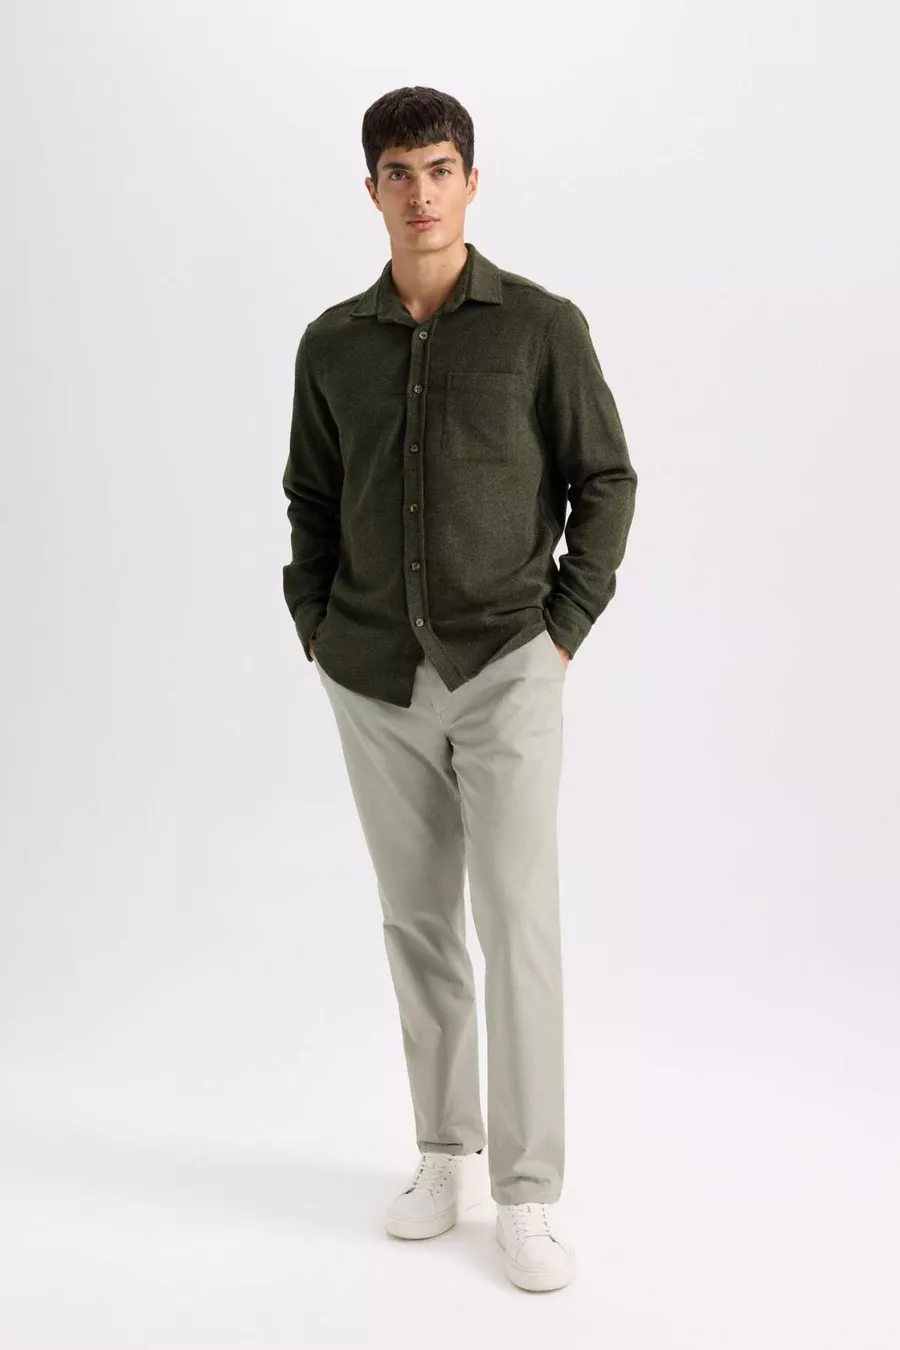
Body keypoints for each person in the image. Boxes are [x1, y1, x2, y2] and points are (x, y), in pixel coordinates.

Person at [281, 85, 637, 1293]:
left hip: (506, 666)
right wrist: (317, 627)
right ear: (371, 190)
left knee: (517, 920)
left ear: (471, 183)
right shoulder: (333, 343)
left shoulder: (540, 327)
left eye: (440, 169)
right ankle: (445, 1154)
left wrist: (563, 631)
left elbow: (606, 479)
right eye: (399, 172)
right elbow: (311, 498)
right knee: (418, 921)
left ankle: (527, 1195)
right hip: (375, 675)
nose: (421, 192)